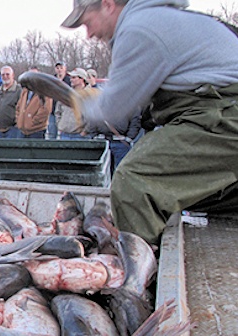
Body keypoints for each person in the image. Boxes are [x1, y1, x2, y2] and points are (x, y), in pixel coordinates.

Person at [62, 0, 238, 244]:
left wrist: (80, 103)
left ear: (108, 4)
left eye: (87, 22)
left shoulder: (140, 29)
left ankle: (138, 275)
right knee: (199, 191)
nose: (89, 34)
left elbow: (113, 109)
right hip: (218, 113)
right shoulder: (160, 19)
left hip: (225, 116)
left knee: (134, 181)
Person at [15, 67, 53, 139]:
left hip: (37, 131)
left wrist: (32, 122)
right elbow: (18, 107)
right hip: (22, 131)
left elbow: (46, 110)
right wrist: (19, 120)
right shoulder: (25, 91)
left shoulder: (45, 91)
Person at [55, 68, 91, 140]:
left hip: (80, 136)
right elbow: (58, 111)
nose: (71, 79)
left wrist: (86, 130)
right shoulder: (66, 93)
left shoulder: (89, 95)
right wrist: (60, 124)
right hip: (64, 134)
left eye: (74, 77)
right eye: (71, 77)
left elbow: (94, 116)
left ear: (82, 79)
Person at [0, 66, 23, 138]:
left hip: (13, 130)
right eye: (3, 75)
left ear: (13, 75)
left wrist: (18, 123)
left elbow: (22, 109)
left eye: (7, 74)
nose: (5, 76)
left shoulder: (19, 91)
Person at [48, 61, 73, 140]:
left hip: (64, 111)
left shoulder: (69, 81)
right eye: (57, 68)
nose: (59, 70)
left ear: (65, 69)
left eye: (61, 68)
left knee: (64, 135)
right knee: (52, 134)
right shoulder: (51, 80)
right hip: (52, 111)